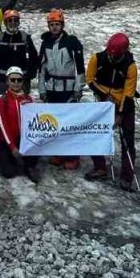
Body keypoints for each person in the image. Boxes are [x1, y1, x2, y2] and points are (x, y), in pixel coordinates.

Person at [85, 33, 138, 190]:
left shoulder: (130, 66)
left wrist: (120, 114)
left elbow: (128, 93)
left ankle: (127, 176)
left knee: (127, 141)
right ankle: (100, 167)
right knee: (96, 134)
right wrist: (104, 96)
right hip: (103, 102)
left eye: (115, 55)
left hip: (124, 104)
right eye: (109, 53)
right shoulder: (97, 58)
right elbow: (90, 79)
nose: (111, 57)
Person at [37, 9, 85, 170]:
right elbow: (41, 68)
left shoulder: (71, 42)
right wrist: (42, 90)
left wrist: (78, 89)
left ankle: (72, 156)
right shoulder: (45, 43)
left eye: (57, 24)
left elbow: (80, 68)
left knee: (69, 124)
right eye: (52, 25)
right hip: (52, 89)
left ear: (62, 25)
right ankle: (59, 153)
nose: (55, 27)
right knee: (55, 123)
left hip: (68, 89)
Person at [0, 67, 41, 183]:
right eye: (12, 80)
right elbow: (3, 125)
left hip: (22, 140)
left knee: (34, 152)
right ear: (7, 81)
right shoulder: (1, 99)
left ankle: (28, 165)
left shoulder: (28, 99)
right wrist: (12, 147)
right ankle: (2, 155)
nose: (16, 83)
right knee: (9, 173)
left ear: (22, 82)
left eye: (19, 80)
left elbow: (34, 123)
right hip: (6, 141)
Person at [0, 9, 38, 94]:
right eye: (10, 20)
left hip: (22, 80)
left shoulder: (25, 38)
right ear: (5, 22)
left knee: (23, 105)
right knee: (3, 104)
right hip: (3, 80)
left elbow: (34, 57)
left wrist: (30, 74)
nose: (13, 22)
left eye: (15, 20)